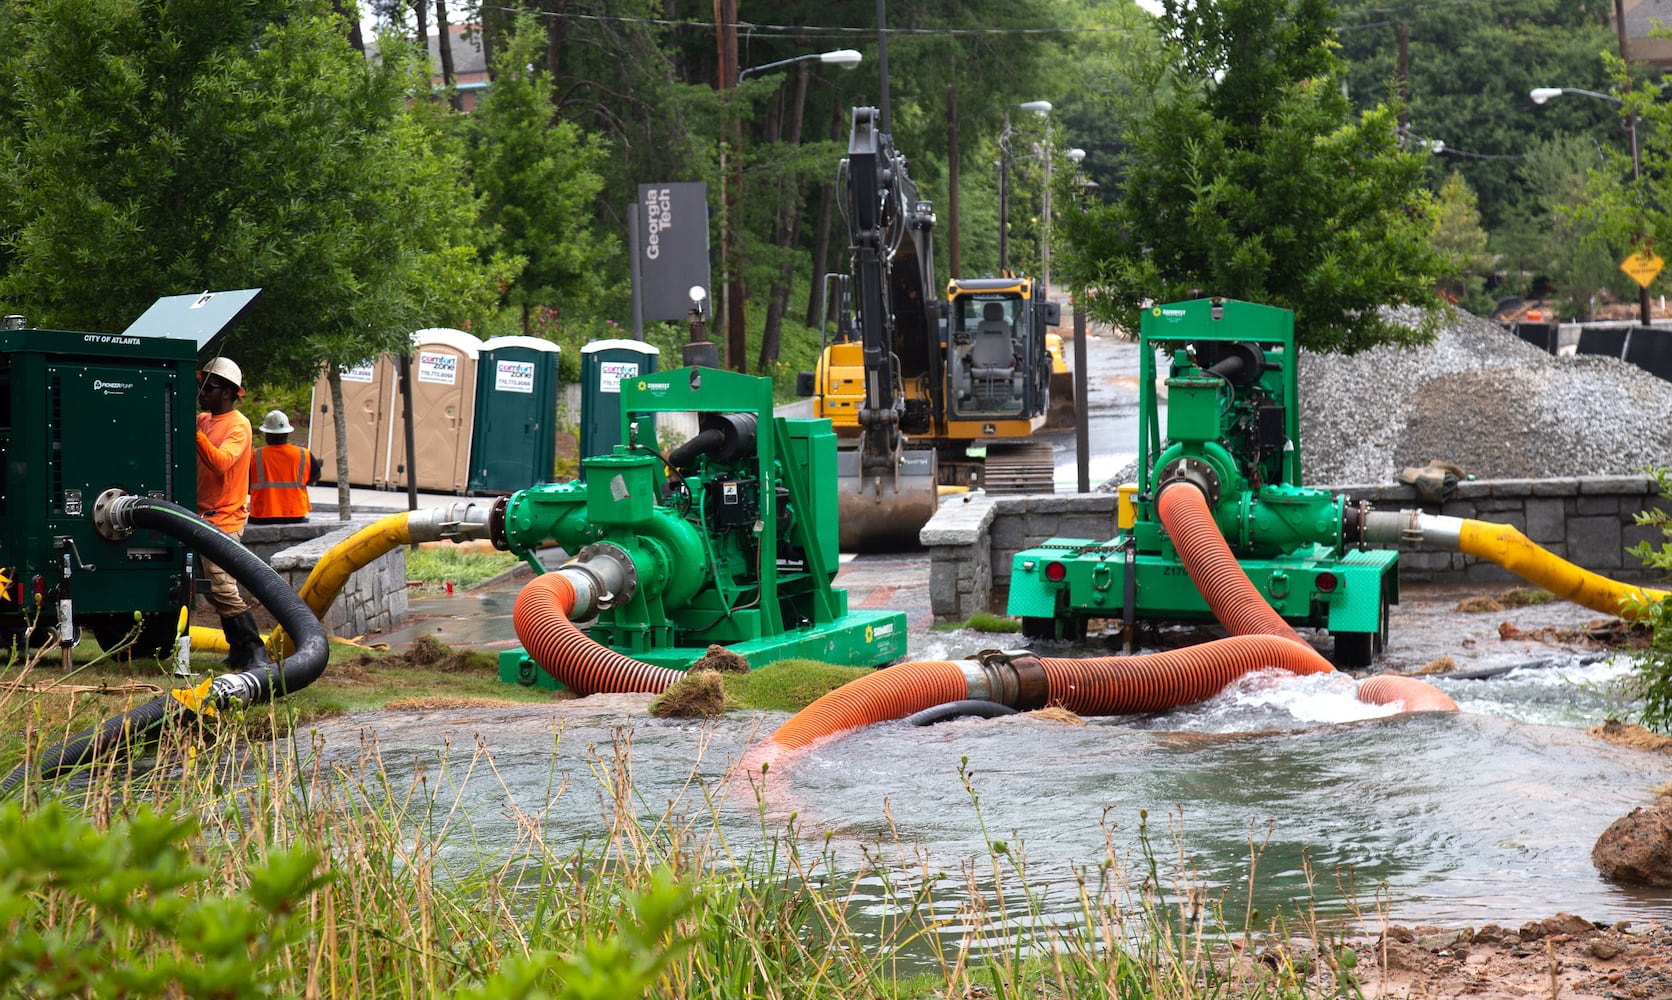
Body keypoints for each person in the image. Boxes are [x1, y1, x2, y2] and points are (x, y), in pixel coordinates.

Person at [195, 356, 271, 668]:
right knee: (213, 591)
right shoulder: (203, 421)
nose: (203, 393)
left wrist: (194, 434)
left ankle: (254, 651)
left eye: (209, 388)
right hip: (199, 517)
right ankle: (239, 652)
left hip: (224, 518)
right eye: (202, 386)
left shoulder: (238, 426)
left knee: (222, 587)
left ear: (228, 392)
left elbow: (223, 462)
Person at [248, 410, 322, 525]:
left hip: (262, 515)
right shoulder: (304, 454)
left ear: (267, 434)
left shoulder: (255, 456)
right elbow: (316, 475)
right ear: (287, 433)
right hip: (295, 514)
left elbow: (245, 484)